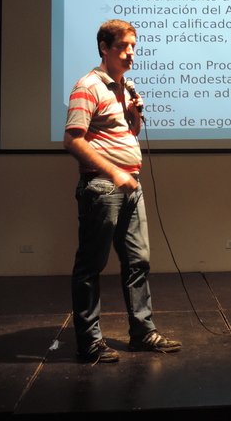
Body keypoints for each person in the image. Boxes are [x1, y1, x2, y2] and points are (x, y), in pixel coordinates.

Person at [64, 19, 182, 364]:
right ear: (104, 48)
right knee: (91, 265)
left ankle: (142, 333)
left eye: (133, 46)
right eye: (123, 46)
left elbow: (127, 134)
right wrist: (114, 171)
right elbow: (72, 140)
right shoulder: (88, 86)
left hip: (132, 185)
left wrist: (135, 117)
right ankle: (89, 342)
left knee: (138, 261)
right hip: (103, 187)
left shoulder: (125, 88)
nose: (131, 53)